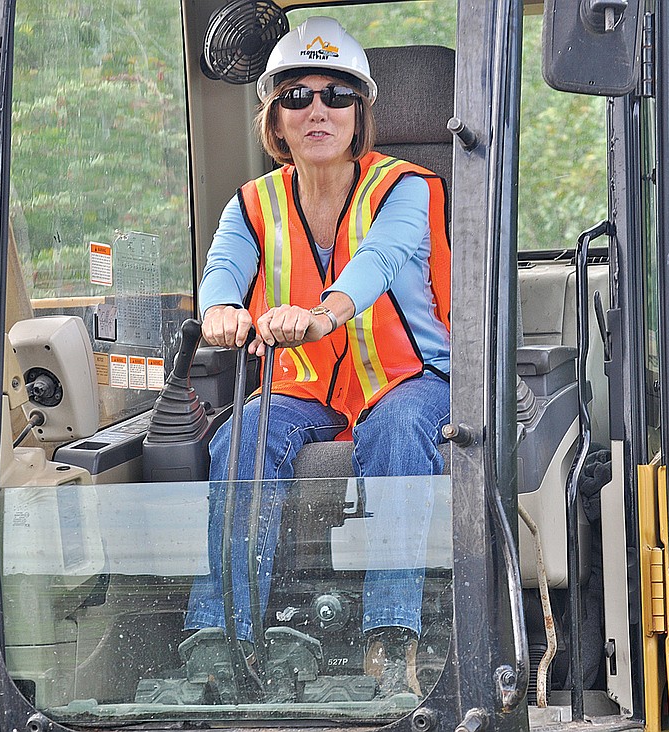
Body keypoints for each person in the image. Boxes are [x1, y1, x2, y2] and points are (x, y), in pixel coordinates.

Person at [184, 16, 451, 700]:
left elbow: (380, 260)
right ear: (274, 120)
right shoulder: (252, 204)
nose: (318, 109)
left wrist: (322, 312)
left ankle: (391, 642)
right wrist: (219, 309)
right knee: (240, 436)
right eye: (297, 96)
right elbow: (223, 267)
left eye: (337, 95)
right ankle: (222, 640)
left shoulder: (407, 188)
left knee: (397, 430)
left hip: (407, 379)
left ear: (360, 115)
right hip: (304, 385)